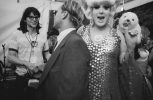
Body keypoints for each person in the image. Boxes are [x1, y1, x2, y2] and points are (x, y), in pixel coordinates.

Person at [36, 0, 90, 100]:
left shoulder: (75, 43)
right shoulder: (64, 40)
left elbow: (71, 90)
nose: (55, 15)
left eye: (56, 12)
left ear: (64, 14)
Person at [77, 0, 126, 100]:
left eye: (106, 7)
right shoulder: (81, 31)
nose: (101, 11)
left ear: (111, 11)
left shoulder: (118, 35)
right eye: (96, 7)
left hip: (110, 95)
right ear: (90, 10)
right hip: (83, 94)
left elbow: (126, 69)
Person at [7, 7, 50, 100]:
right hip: (22, 77)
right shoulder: (17, 34)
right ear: (24, 19)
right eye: (31, 17)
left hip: (39, 76)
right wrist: (27, 64)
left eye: (36, 17)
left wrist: (49, 62)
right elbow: (10, 57)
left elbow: (47, 55)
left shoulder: (42, 35)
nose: (34, 19)